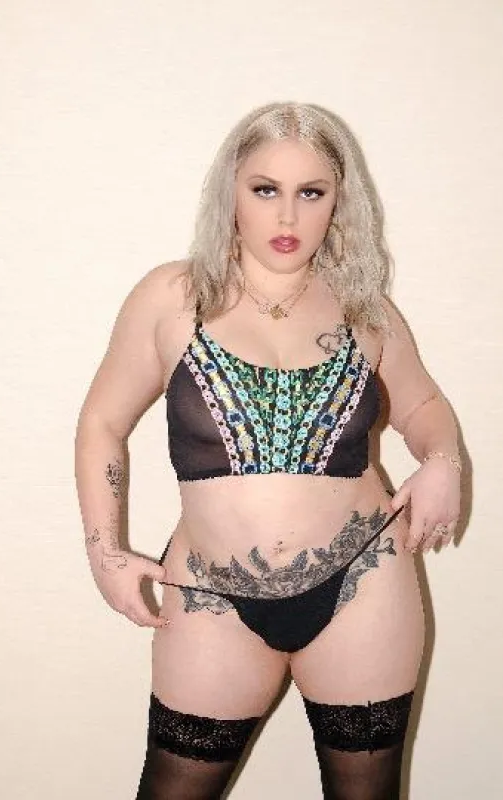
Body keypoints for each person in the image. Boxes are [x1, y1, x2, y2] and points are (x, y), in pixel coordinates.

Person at [74, 102, 461, 799]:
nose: (287, 216)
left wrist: (442, 463)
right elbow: (102, 421)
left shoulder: (365, 309)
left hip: (363, 582)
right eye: (265, 189)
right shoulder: (173, 297)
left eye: (310, 192)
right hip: (211, 595)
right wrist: (105, 551)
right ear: (231, 192)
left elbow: (424, 407)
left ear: (339, 202)